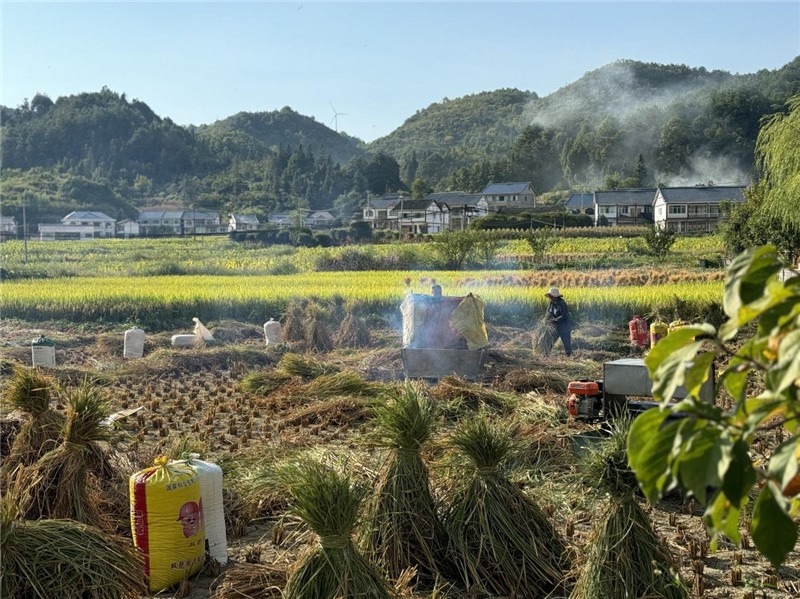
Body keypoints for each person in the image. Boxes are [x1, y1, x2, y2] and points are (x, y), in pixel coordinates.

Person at [545, 287, 572, 356]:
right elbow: (548, 313)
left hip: (564, 328)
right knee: (550, 342)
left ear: (555, 296)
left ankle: (569, 357)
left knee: (567, 345)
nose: (550, 297)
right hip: (556, 327)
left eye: (551, 296)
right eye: (550, 296)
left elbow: (564, 315)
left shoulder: (561, 303)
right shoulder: (551, 303)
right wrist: (546, 319)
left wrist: (555, 320)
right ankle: (546, 356)